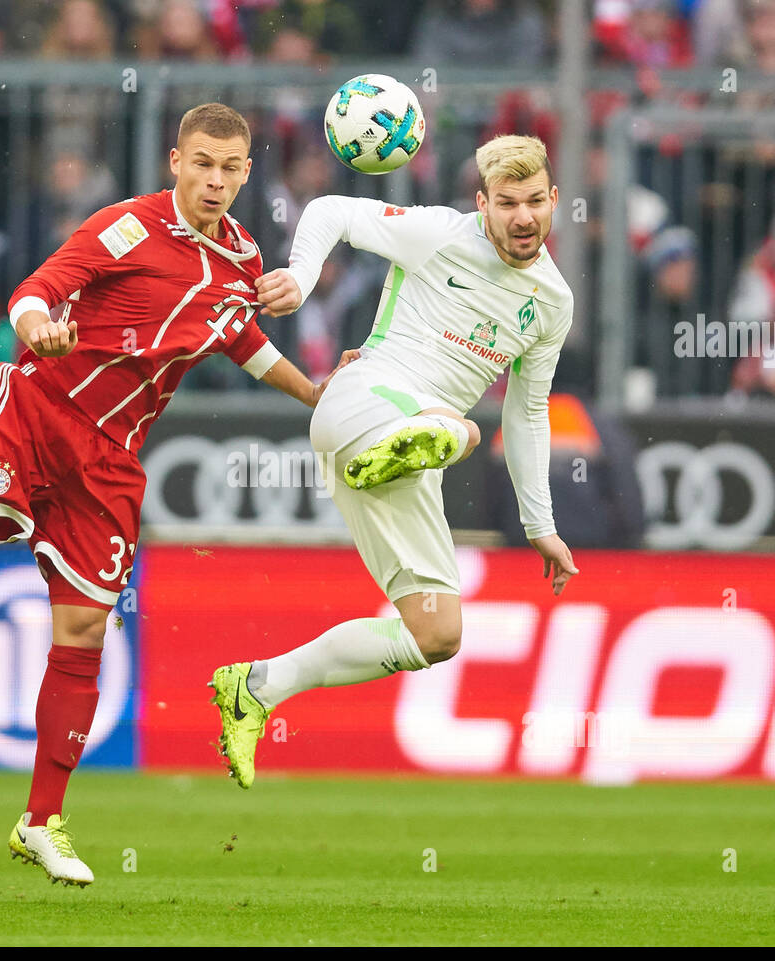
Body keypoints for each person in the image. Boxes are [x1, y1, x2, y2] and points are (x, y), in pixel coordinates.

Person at [0, 104, 356, 887]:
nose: (214, 179)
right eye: (201, 163)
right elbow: (37, 289)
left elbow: (238, 338)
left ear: (246, 174)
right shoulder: (127, 228)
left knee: (83, 631)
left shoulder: (243, 258)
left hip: (110, 457)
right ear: (175, 161)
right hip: (35, 408)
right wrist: (38, 326)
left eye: (229, 168)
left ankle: (41, 821)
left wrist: (313, 393)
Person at [208, 134, 578, 789]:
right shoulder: (440, 234)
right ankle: (420, 440)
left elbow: (526, 413)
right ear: (482, 205)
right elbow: (331, 211)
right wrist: (300, 274)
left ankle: (257, 687)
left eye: (533, 203)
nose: (523, 217)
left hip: (393, 459)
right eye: (507, 203)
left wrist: (539, 525)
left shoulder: (551, 302)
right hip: (362, 400)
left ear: (554, 202)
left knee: (436, 634)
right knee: (460, 426)